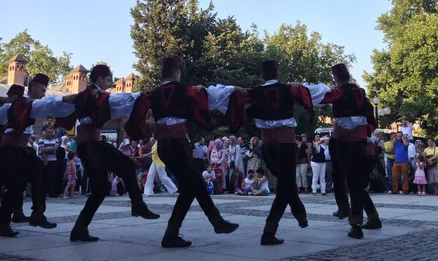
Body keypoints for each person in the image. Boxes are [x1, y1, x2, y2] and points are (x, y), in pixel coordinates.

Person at [125, 58, 238, 248]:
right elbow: (211, 96)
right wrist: (233, 90)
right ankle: (215, 222)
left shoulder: (152, 94)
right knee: (194, 183)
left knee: (190, 187)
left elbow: (129, 104)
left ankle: (179, 231)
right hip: (177, 142)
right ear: (177, 73)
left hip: (163, 145)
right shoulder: (187, 89)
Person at [226, 59, 329, 245]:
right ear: (278, 74)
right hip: (286, 142)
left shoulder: (254, 92)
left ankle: (291, 220)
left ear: (262, 76)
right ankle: (274, 228)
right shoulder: (289, 89)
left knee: (285, 184)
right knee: (286, 185)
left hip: (267, 144)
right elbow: (317, 92)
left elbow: (231, 99)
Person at [58, 65, 160, 242]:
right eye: (107, 79)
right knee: (102, 187)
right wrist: (144, 95)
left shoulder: (87, 95)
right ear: (99, 79)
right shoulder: (94, 95)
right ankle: (135, 205)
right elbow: (119, 99)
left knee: (116, 175)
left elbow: (70, 101)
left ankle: (136, 205)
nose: (109, 83)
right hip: (91, 145)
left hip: (93, 144)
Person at [0, 75, 77, 237]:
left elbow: (46, 105)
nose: (44, 93)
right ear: (33, 88)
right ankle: (4, 222)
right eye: (42, 90)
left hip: (24, 149)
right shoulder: (18, 105)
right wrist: (66, 100)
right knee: (14, 186)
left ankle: (37, 214)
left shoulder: (29, 105)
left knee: (38, 178)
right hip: (11, 149)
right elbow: (48, 105)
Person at [320, 63, 377, 239]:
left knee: (339, 178)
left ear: (336, 78)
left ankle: (346, 211)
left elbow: (321, 98)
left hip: (343, 141)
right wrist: (364, 132)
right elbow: (370, 117)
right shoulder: (360, 92)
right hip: (359, 142)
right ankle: (371, 218)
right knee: (356, 184)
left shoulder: (338, 93)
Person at [38, 126, 61, 197]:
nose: (50, 133)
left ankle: (52, 192)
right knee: (44, 176)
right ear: (46, 133)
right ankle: (44, 192)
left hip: (53, 160)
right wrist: (52, 149)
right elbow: (42, 151)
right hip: (44, 160)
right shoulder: (41, 140)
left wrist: (46, 150)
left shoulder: (56, 140)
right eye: (49, 132)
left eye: (51, 132)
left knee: (52, 177)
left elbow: (55, 149)